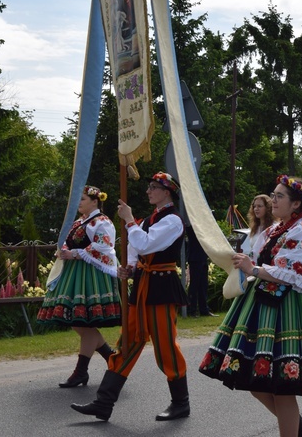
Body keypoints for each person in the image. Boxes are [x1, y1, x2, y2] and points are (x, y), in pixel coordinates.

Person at [199, 175, 302, 437]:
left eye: (280, 196)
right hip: (266, 307)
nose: (273, 199)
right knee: (259, 383)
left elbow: (299, 274)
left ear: (296, 203)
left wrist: (253, 267)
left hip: (291, 311)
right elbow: (265, 264)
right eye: (273, 194)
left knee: (282, 385)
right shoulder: (276, 229)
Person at [71, 172, 190, 422]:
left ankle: (181, 402)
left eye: (153, 187)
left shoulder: (173, 221)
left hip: (161, 287)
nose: (148, 191)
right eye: (148, 187)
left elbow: (146, 244)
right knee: (129, 340)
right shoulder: (148, 220)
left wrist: (128, 221)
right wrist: (131, 267)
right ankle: (104, 402)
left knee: (165, 343)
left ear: (166, 192)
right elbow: (136, 248)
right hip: (143, 283)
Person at [38, 185, 121, 388]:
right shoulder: (79, 222)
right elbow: (68, 241)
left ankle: (81, 372)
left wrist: (75, 253)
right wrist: (64, 250)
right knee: (79, 322)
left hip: (92, 276)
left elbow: (104, 246)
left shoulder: (102, 221)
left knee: (83, 323)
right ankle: (111, 359)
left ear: (95, 201)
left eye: (82, 199)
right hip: (76, 274)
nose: (79, 203)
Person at [185, 226, 217, 317]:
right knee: (194, 284)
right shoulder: (192, 226)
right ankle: (192, 310)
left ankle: (204, 309)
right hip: (194, 257)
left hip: (202, 256)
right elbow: (191, 232)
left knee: (203, 284)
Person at [240, 194, 275, 262]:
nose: (256, 209)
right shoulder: (255, 228)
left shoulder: (274, 227)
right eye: (254, 206)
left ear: (267, 208)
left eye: (259, 206)